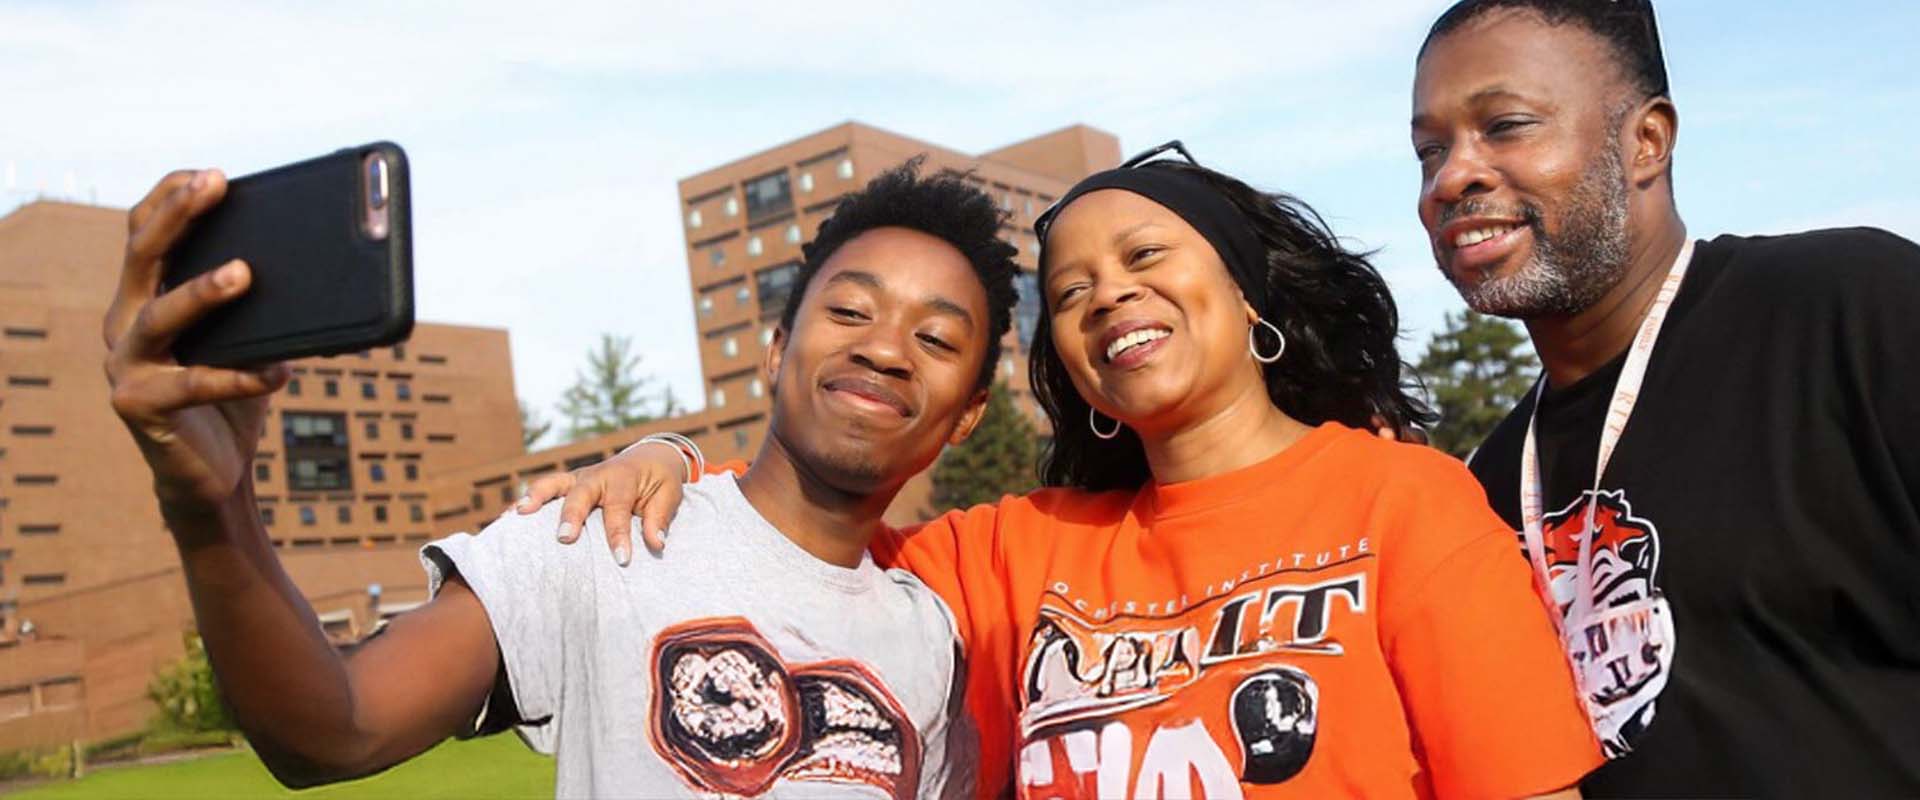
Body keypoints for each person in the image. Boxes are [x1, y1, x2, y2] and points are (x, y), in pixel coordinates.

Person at [523, 144, 1603, 798]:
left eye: (1143, 259)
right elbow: (795, 517)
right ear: (1076, 372)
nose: (1108, 297)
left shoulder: (1403, 500)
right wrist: (660, 456)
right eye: (1073, 291)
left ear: (1245, 295)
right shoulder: (1016, 550)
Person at [102, 160, 1019, 798]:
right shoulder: (605, 531)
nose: (886, 348)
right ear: (776, 352)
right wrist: (209, 506)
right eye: (851, 309)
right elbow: (333, 728)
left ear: (968, 412)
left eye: (936, 338)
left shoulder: (930, 640)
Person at [1412, 0, 1920, 795]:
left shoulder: (1851, 308)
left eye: (1505, 125)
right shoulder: (1490, 480)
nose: (1453, 176)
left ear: (1645, 141)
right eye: (1428, 150)